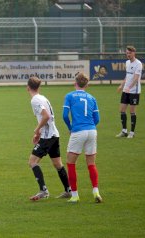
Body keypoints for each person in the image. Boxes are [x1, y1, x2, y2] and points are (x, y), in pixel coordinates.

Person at [26, 76, 71, 201]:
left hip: (48, 137)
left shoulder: (35, 100)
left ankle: (43, 191)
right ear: (39, 87)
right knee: (57, 164)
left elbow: (46, 116)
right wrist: (39, 133)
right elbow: (47, 117)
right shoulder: (42, 97)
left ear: (27, 88)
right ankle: (68, 190)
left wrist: (36, 130)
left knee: (32, 162)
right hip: (54, 134)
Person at [63, 72, 102, 203]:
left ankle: (74, 195)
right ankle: (96, 191)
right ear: (87, 84)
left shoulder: (69, 96)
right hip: (92, 131)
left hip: (78, 131)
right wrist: (89, 126)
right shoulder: (92, 98)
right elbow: (97, 119)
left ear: (75, 83)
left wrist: (70, 127)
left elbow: (64, 115)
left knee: (71, 162)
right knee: (91, 163)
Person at [116, 45, 142, 139]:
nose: (128, 55)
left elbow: (136, 78)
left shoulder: (138, 64)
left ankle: (132, 132)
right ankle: (124, 131)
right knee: (122, 110)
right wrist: (122, 85)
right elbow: (127, 76)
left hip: (134, 91)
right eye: (127, 53)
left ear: (134, 53)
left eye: (130, 53)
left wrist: (129, 87)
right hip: (126, 90)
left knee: (132, 111)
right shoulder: (127, 63)